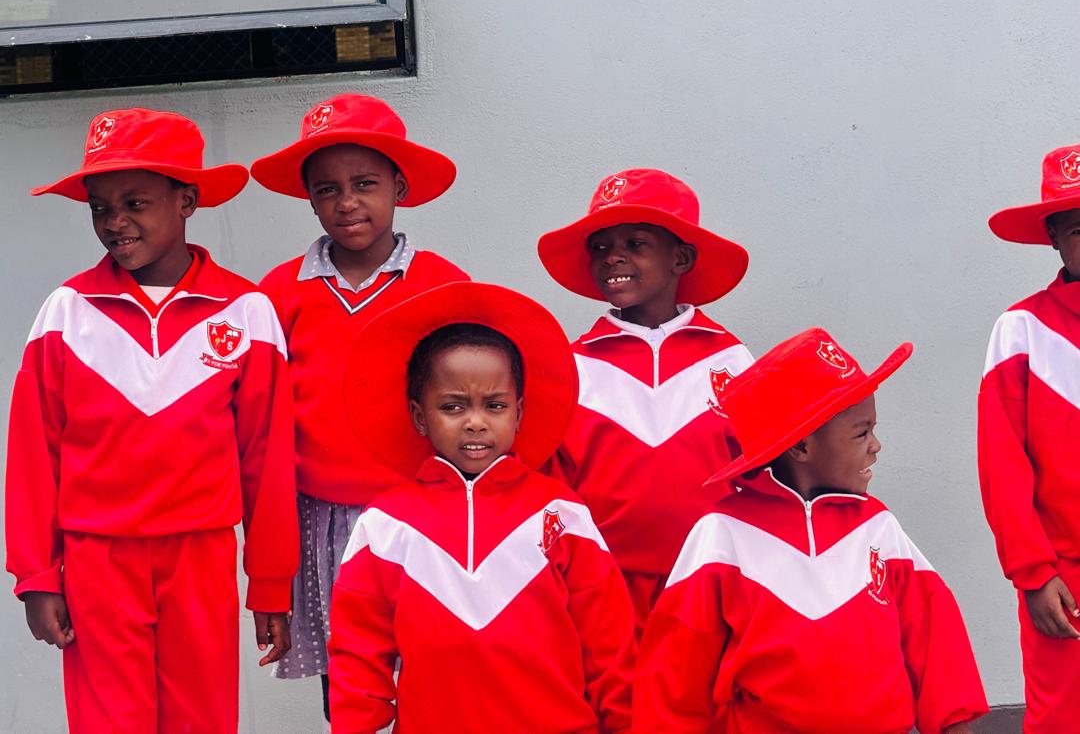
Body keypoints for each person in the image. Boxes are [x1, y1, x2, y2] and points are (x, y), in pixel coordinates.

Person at [5, 107, 298, 732]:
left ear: (187, 199)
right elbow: (34, 452)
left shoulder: (246, 311)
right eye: (100, 208)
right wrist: (36, 573)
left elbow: (266, 458)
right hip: (95, 561)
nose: (115, 222)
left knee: (203, 719)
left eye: (135, 202)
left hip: (201, 555)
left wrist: (271, 580)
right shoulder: (67, 312)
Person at [634, 327, 988, 732]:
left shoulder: (878, 527)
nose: (876, 445)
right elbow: (673, 676)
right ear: (801, 447)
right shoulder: (722, 535)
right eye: (861, 432)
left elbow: (935, 640)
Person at [327, 281, 636, 733]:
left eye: (495, 405)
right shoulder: (385, 526)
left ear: (520, 411)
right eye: (453, 406)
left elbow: (611, 652)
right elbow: (358, 658)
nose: (475, 421)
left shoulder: (563, 515)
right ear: (418, 415)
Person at [252, 93, 468, 727]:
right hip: (321, 522)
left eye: (365, 184)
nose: (347, 203)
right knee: (349, 685)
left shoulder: (442, 284)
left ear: (399, 186)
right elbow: (263, 427)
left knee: (435, 670)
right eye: (327, 190)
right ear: (309, 198)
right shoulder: (278, 293)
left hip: (422, 516)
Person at [537, 168, 753, 635]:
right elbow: (553, 482)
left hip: (711, 578)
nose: (613, 257)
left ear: (681, 257)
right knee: (618, 705)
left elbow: (757, 470)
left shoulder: (732, 359)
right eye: (600, 247)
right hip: (602, 585)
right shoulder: (573, 366)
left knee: (703, 701)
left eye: (635, 243)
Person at [980, 142, 1080, 730]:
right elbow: (1001, 461)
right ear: (1053, 238)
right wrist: (1034, 572)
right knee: (1062, 718)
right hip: (1063, 574)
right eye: (1077, 228)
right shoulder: (1021, 329)